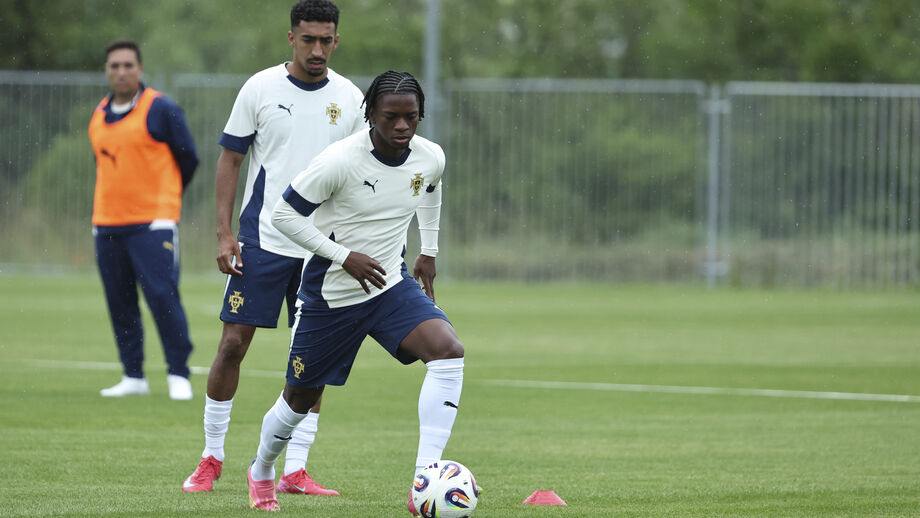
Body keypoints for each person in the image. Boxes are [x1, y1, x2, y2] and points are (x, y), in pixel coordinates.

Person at [244, 70, 464, 513]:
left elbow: (431, 190)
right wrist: (343, 256)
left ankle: (424, 481)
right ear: (370, 114)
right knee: (299, 400)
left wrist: (429, 250)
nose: (401, 126)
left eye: (411, 117)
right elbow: (284, 216)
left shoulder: (431, 156)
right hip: (331, 297)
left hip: (389, 286)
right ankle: (262, 468)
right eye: (391, 117)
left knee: (447, 352)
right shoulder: (339, 161)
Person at [181, 0, 365, 495]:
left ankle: (295, 470)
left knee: (313, 359)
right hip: (262, 242)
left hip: (321, 249)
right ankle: (211, 457)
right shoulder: (260, 88)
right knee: (232, 345)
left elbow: (358, 175)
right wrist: (224, 233)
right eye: (308, 39)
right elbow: (230, 160)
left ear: (336, 41)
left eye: (325, 40)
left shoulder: (350, 98)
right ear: (291, 38)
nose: (317, 50)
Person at [88, 39, 199, 401]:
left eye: (128, 65)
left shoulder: (160, 108)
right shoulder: (98, 114)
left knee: (163, 297)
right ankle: (132, 374)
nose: (121, 72)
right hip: (107, 223)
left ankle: (178, 373)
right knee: (119, 302)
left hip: (153, 223)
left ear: (140, 69)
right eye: (114, 66)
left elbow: (189, 157)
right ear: (107, 71)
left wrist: (164, 195)